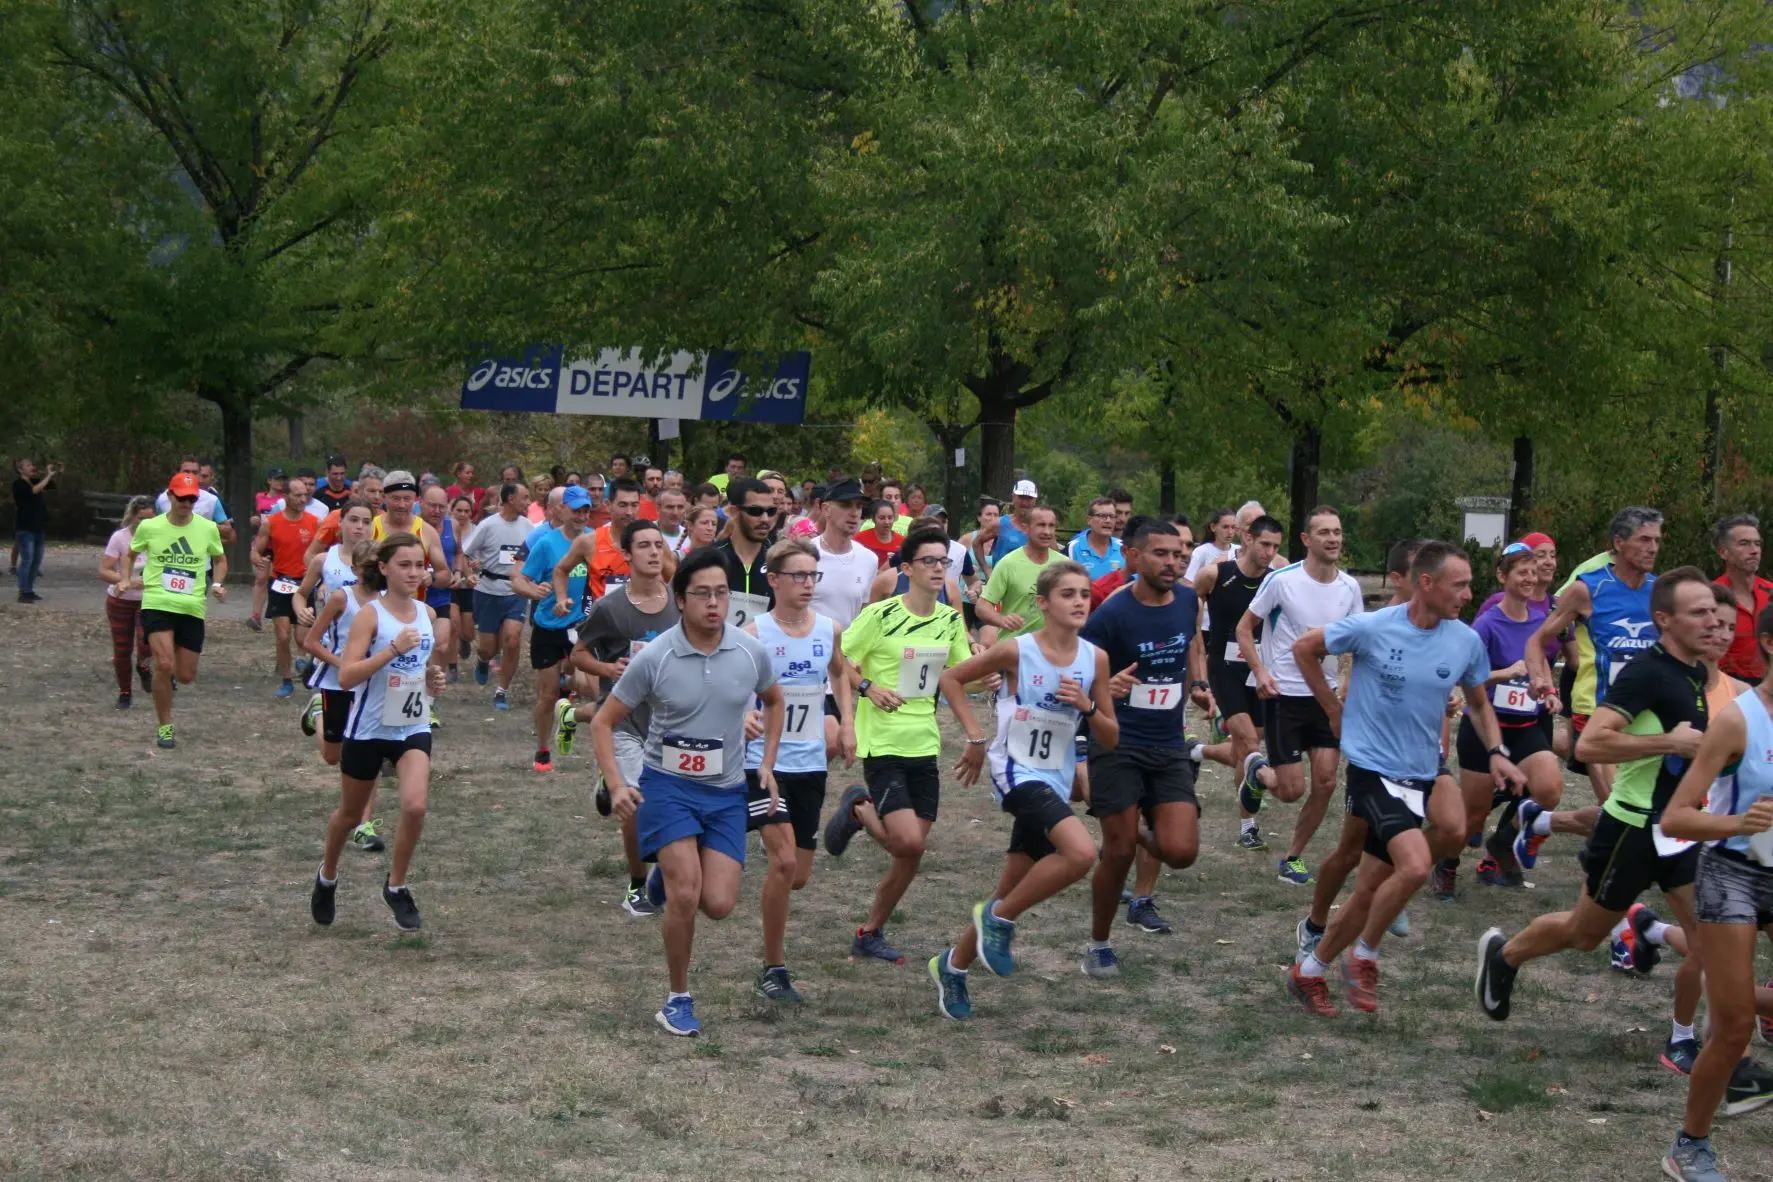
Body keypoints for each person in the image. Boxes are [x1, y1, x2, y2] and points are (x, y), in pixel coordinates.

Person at [1477, 568, 1717, 1040]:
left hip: (1678, 828)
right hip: (1631, 829)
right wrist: (1670, 742)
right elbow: (1591, 746)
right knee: (1584, 934)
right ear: (1665, 620)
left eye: (1713, 610)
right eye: (1699, 612)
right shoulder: (1647, 674)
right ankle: (1505, 955)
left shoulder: (1694, 671)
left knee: (1711, 939)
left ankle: (1704, 1045)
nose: (1711, 620)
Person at [1286, 541, 1523, 1016]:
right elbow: (1304, 648)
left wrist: (1497, 751)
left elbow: (1477, 702)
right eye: (1460, 584)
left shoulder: (1464, 640)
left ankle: (1308, 971)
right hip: (1374, 769)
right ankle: (1365, 955)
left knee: (1438, 842)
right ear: (1426, 584)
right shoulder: (1375, 627)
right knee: (1414, 867)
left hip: (1424, 770)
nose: (1469, 593)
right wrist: (1334, 711)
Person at [594, 547, 785, 1036]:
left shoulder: (748, 650)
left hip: (724, 792)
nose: (713, 603)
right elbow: (604, 721)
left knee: (718, 904)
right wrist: (618, 783)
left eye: (721, 593)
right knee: (686, 895)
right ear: (681, 600)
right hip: (669, 785)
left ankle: (661, 879)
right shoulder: (655, 656)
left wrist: (766, 763)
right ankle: (678, 998)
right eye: (702, 594)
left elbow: (775, 699)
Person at [929, 560, 1117, 1019]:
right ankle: (999, 920)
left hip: (1055, 777)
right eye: (1067, 594)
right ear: (1043, 603)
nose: (1078, 602)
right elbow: (951, 678)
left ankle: (951, 966)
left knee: (1011, 886)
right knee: (1079, 853)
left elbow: (1110, 736)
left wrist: (1088, 706)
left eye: (1084, 594)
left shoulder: (1095, 659)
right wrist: (975, 736)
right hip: (1016, 771)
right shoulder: (1018, 650)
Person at [822, 527, 976, 964]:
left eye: (943, 562)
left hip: (924, 742)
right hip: (882, 742)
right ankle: (859, 807)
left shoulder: (948, 621)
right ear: (906, 568)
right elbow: (841, 662)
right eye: (928, 561)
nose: (937, 568)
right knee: (907, 843)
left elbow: (960, 675)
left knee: (910, 853)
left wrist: (993, 669)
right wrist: (868, 687)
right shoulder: (882, 615)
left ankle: (869, 932)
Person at [1657, 608, 1773, 1178]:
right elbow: (1677, 817)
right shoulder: (1738, 721)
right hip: (1733, 873)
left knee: (1736, 1009)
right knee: (1733, 1030)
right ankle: (1689, 1147)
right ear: (1770, 644)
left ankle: (1732, 999)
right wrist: (1740, 825)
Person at [1075, 519, 1206, 975]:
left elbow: (1191, 646)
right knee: (1119, 852)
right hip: (1119, 741)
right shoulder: (1112, 614)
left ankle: (1135, 827)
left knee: (1182, 851)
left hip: (1168, 742)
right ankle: (1098, 943)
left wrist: (1199, 686)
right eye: (1161, 554)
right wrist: (1106, 686)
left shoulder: (1189, 599)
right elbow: (1077, 672)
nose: (1173, 562)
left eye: (1178, 554)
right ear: (1134, 556)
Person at [309, 534, 448, 934]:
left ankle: (397, 885)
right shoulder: (370, 614)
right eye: (404, 565)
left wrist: (432, 680)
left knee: (416, 806)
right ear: (384, 568)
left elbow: (422, 670)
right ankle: (328, 876)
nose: (414, 572)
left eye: (419, 565)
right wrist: (390, 651)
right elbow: (349, 674)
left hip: (412, 724)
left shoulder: (426, 613)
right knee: (350, 815)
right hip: (368, 728)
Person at [741, 538, 855, 1002]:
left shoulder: (829, 628)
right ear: (774, 580)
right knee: (783, 861)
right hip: (763, 764)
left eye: (814, 575)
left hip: (810, 762)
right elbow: (729, 688)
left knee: (798, 875)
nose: (809, 584)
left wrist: (847, 723)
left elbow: (840, 673)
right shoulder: (752, 635)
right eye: (799, 576)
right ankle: (774, 967)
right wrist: (740, 715)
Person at [1235, 505, 1365, 884]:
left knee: (1326, 782)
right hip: (1285, 694)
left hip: (1326, 699)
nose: (1333, 539)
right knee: (1292, 790)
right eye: (1324, 532)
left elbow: (1358, 643)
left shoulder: (1350, 588)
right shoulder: (1282, 580)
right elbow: (1245, 629)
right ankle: (1259, 772)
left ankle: (1292, 857)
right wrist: (1260, 672)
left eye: (1337, 532)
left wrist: (1349, 689)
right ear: (1307, 539)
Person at [571, 519, 680, 918]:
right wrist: (608, 671)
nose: (654, 553)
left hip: (668, 721)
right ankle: (638, 883)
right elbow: (579, 655)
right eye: (645, 546)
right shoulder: (609, 608)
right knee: (637, 802)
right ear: (628, 555)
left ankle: (607, 779)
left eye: (659, 546)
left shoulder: (679, 602)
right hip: (623, 720)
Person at [1525, 507, 1662, 802]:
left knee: (1632, 811)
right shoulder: (1588, 588)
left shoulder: (1661, 591)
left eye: (1657, 541)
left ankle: (1543, 824)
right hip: (1597, 710)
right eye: (1644, 540)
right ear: (1619, 543)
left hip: (1646, 713)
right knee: (1618, 803)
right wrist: (1541, 679)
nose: (1652, 548)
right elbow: (1537, 641)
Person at [1456, 543, 1567, 889]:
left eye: (1534, 573)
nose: (1530, 579)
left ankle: (1503, 842)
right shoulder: (1488, 623)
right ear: (1503, 577)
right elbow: (1466, 678)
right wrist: (1505, 673)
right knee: (1472, 816)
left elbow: (1543, 665)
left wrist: (1549, 693)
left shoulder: (1541, 621)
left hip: (1526, 724)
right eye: (1522, 572)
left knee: (1548, 790)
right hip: (1487, 727)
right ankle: (1446, 863)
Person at [1193, 514, 1285, 850]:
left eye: (1275, 547)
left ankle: (1197, 752)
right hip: (1224, 668)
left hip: (1258, 668)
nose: (1269, 552)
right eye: (1264, 544)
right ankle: (1248, 826)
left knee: (1244, 749)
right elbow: (1193, 607)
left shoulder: (1277, 581)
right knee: (1249, 744)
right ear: (1247, 538)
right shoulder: (1215, 574)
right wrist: (1198, 656)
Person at [132, 473, 228, 748]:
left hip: (191, 606)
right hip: (157, 602)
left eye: (191, 498)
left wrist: (218, 583)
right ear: (170, 497)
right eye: (181, 497)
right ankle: (165, 727)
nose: (186, 502)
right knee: (164, 664)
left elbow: (220, 560)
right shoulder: (150, 526)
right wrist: (126, 579)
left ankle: (167, 657)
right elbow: (129, 554)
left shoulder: (207, 528)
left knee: (185, 676)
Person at [513, 484, 594, 772]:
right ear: (562, 510)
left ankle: (569, 708)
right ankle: (543, 748)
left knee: (586, 684)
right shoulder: (547, 543)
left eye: (586, 510)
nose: (581, 516)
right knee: (547, 695)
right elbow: (519, 580)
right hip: (548, 626)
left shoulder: (595, 541)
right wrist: (534, 592)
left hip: (582, 625)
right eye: (576, 510)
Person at [296, 502, 376, 765]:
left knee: (361, 733)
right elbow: (300, 594)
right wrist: (302, 611)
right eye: (353, 520)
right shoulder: (324, 560)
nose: (359, 527)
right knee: (332, 756)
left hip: (370, 656)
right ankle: (318, 711)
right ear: (340, 523)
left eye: (366, 522)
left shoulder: (381, 562)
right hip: (332, 650)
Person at [462, 482, 532, 709]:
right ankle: (482, 661)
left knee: (512, 640)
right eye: (525, 497)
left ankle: (502, 691)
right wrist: (469, 574)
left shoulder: (530, 528)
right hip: (488, 591)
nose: (528, 502)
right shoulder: (488, 525)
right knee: (488, 648)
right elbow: (465, 553)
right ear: (511, 499)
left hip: (515, 591)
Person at [254, 476, 320, 698]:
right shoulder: (271, 522)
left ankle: (304, 661)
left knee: (302, 638)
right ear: (286, 496)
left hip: (304, 584)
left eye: (305, 495)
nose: (303, 499)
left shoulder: (314, 522)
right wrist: (258, 559)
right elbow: (256, 550)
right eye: (298, 495)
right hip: (280, 582)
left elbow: (323, 552)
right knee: (282, 636)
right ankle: (286, 680)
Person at [98, 496, 155, 708]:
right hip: (120, 600)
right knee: (122, 649)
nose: (144, 524)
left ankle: (144, 666)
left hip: (149, 600)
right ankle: (125, 692)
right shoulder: (120, 538)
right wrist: (127, 581)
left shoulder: (160, 537)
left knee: (146, 642)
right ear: (132, 516)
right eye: (141, 518)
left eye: (150, 519)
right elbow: (104, 570)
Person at [977, 505, 1061, 641]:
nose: (1047, 531)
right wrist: (1002, 620)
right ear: (1026, 528)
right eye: (1041, 525)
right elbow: (982, 607)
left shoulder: (1064, 565)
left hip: (1052, 648)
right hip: (1015, 650)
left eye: (1051, 526)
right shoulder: (1008, 563)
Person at [711, 476, 778, 628]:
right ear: (734, 512)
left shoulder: (780, 560)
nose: (765, 519)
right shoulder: (711, 558)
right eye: (755, 511)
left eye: (771, 511)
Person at [809, 477, 875, 629]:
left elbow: (862, 613)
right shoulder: (804, 554)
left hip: (847, 650)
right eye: (845, 505)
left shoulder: (869, 559)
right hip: (808, 648)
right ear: (826, 509)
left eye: (858, 506)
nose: (854, 513)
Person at [1713, 514, 1771, 684]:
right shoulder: (1710, 597)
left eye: (1757, 543)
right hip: (1728, 691)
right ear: (1723, 552)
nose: (1754, 550)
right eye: (1744, 544)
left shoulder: (1771, 592)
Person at [154, 456, 235, 545]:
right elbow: (155, 529)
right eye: (186, 472)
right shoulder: (162, 499)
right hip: (170, 553)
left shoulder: (211, 500)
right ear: (177, 473)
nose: (190, 475)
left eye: (195, 472)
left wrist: (204, 531)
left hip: (201, 556)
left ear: (200, 475)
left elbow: (229, 533)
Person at [11, 458, 56, 603]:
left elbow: (50, 486)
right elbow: (34, 491)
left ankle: (29, 590)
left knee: (36, 561)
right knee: (27, 560)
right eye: (28, 465)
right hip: (25, 527)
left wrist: (53, 473)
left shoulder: (34, 481)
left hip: (38, 527)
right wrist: (47, 476)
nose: (32, 467)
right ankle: (23, 592)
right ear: (20, 469)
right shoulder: (18, 484)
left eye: (32, 465)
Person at [1066, 497, 1125, 582]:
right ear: (1089, 520)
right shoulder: (1073, 548)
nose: (1108, 520)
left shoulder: (1123, 548)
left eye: (1112, 516)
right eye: (1102, 516)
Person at [1182, 507, 1238, 587]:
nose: (1230, 532)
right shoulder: (1201, 552)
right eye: (1225, 527)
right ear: (1213, 527)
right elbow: (1187, 584)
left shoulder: (1239, 550)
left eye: (1233, 527)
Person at [990, 480, 1038, 564]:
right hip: (1003, 576)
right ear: (1013, 498)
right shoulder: (1000, 523)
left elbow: (1056, 555)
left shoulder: (1042, 526)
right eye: (1021, 497)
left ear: (1035, 500)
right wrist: (986, 569)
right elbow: (977, 543)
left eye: (1029, 498)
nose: (1025, 503)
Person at [857, 499, 902, 568]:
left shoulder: (902, 542)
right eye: (882, 518)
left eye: (890, 518)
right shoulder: (859, 539)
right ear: (873, 518)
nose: (887, 522)